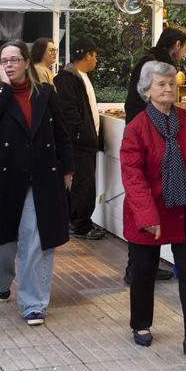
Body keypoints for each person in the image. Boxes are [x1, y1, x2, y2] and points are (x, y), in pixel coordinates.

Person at [0, 41, 73, 326]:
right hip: (2, 179)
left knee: (35, 240)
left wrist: (68, 169)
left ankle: (33, 303)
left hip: (39, 178)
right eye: (4, 61)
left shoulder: (45, 93)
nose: (9, 65)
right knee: (0, 245)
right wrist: (4, 88)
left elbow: (60, 131)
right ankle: (1, 282)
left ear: (27, 62)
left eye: (14, 60)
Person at [120, 60, 186, 358]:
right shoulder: (137, 128)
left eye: (171, 83)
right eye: (161, 84)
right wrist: (147, 216)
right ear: (147, 90)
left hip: (185, 208)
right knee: (143, 270)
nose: (168, 89)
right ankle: (140, 324)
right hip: (149, 209)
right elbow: (133, 177)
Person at [121, 25, 186, 283]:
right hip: (147, 136)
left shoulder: (149, 58)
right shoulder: (155, 64)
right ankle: (137, 268)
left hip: (147, 132)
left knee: (155, 202)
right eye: (184, 47)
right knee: (147, 200)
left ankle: (142, 266)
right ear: (175, 45)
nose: (184, 53)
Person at [54, 39, 105, 240]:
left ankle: (79, 221)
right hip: (79, 144)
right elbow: (69, 113)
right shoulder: (69, 79)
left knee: (83, 182)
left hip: (83, 141)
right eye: (95, 55)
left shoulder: (77, 77)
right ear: (87, 55)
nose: (96, 60)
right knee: (83, 183)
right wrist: (80, 134)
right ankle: (80, 224)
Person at [124, 26, 186, 123]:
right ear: (177, 45)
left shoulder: (154, 62)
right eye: (185, 48)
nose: (184, 54)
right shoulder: (153, 65)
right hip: (143, 130)